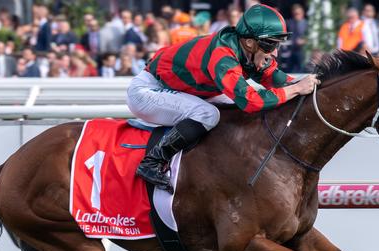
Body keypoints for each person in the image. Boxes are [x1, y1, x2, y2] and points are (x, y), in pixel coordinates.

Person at [128, 4, 319, 192]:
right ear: (250, 42)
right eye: (271, 44)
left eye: (278, 44)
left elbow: (277, 79)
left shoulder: (249, 50)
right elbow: (250, 101)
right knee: (208, 114)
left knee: (231, 110)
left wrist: (307, 85)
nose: (275, 52)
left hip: (183, 90)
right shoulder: (223, 56)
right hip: (147, 90)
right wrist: (295, 90)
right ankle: (152, 161)